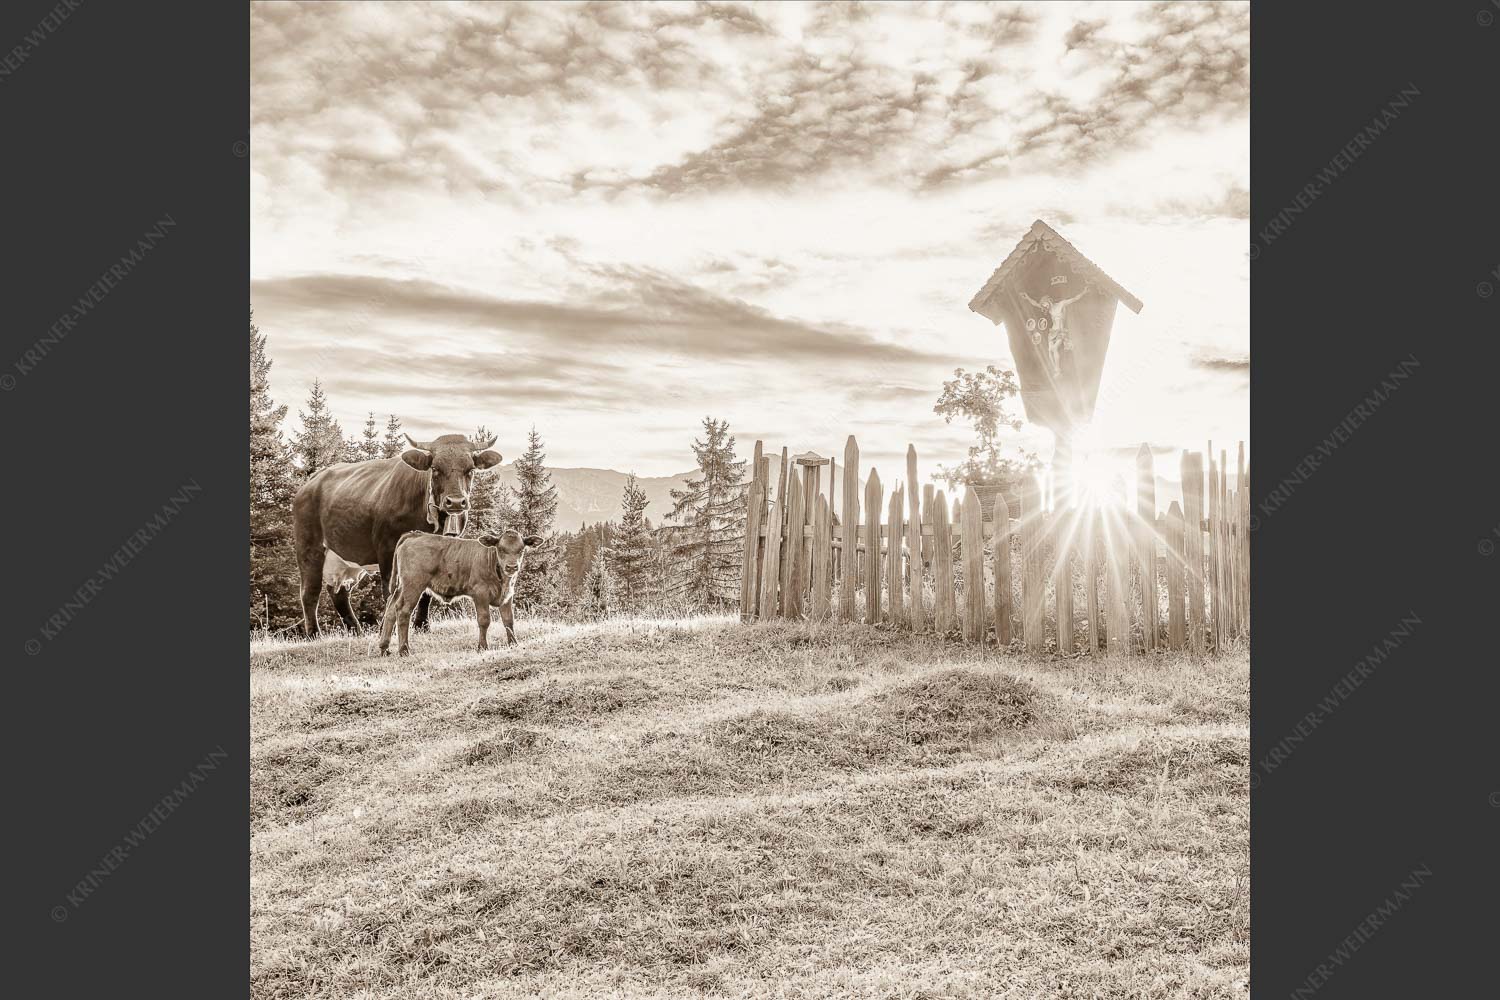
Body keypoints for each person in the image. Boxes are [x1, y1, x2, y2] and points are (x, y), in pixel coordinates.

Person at [1021, 285, 1089, 377]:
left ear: (1049, 301)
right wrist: (1027, 298)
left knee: (1055, 348)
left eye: (1045, 304)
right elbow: (1035, 304)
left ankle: (1058, 370)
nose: (1045, 307)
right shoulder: (1049, 310)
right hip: (1052, 331)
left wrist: (1084, 292)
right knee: (1050, 351)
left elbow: (1074, 299)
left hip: (1060, 331)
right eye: (1044, 306)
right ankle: (1056, 371)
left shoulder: (1061, 304)